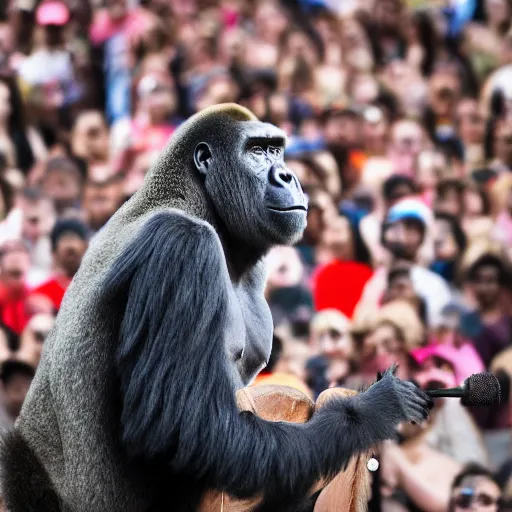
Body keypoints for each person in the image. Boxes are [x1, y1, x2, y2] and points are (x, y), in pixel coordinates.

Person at [356, 198, 452, 328]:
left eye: (411, 229)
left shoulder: (433, 284)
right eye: (396, 227)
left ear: (424, 235)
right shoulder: (375, 281)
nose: (403, 235)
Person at [31, 218, 89, 311]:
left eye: (74, 239)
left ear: (86, 248)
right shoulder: (41, 294)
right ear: (54, 252)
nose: (71, 245)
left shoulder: (96, 286)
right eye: (65, 240)